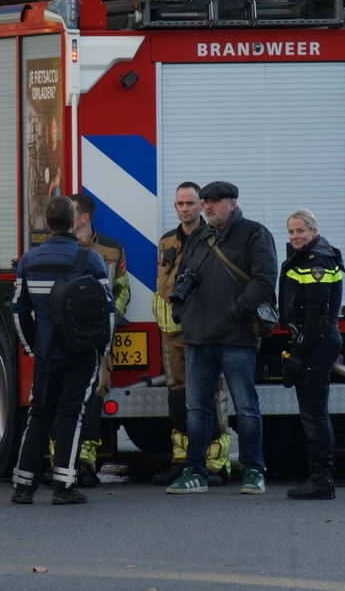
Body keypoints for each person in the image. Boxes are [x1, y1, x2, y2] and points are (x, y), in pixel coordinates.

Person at [166, 181, 278, 495]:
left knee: (245, 408)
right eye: (205, 202)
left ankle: (254, 471)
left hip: (236, 338)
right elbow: (183, 276)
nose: (207, 206)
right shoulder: (199, 237)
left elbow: (266, 279)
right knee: (197, 409)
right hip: (198, 337)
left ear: (232, 203)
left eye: (214, 201)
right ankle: (195, 472)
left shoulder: (254, 234)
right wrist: (182, 313)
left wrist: (237, 310)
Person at [10, 196, 115, 505]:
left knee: (39, 415)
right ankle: (63, 486)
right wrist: (102, 349)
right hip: (81, 356)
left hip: (46, 355)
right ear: (73, 222)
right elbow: (107, 311)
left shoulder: (29, 261)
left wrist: (32, 347)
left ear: (46, 224)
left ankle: (23, 486)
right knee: (71, 416)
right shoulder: (90, 260)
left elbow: (18, 310)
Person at [151, 182, 232, 487]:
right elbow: (163, 286)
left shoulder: (213, 238)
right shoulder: (166, 241)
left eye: (190, 203)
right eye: (180, 204)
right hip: (171, 334)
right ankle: (183, 461)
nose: (185, 208)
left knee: (211, 395)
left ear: (201, 206)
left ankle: (216, 462)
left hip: (203, 332)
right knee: (178, 397)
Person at [63, 192, 130, 487]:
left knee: (95, 394)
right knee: (64, 395)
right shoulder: (59, 247)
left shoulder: (112, 249)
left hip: (99, 337)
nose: (67, 218)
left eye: (71, 213)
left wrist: (108, 317)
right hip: (64, 335)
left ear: (84, 218)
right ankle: (62, 461)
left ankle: (87, 461)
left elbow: (122, 289)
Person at [279, 209, 345, 500]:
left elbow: (317, 316)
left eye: (300, 231)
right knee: (314, 413)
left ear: (313, 231)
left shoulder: (316, 260)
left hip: (317, 342)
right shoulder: (312, 255)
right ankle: (320, 477)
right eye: (291, 232)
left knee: (314, 414)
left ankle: (321, 480)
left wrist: (299, 354)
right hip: (316, 340)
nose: (295, 237)